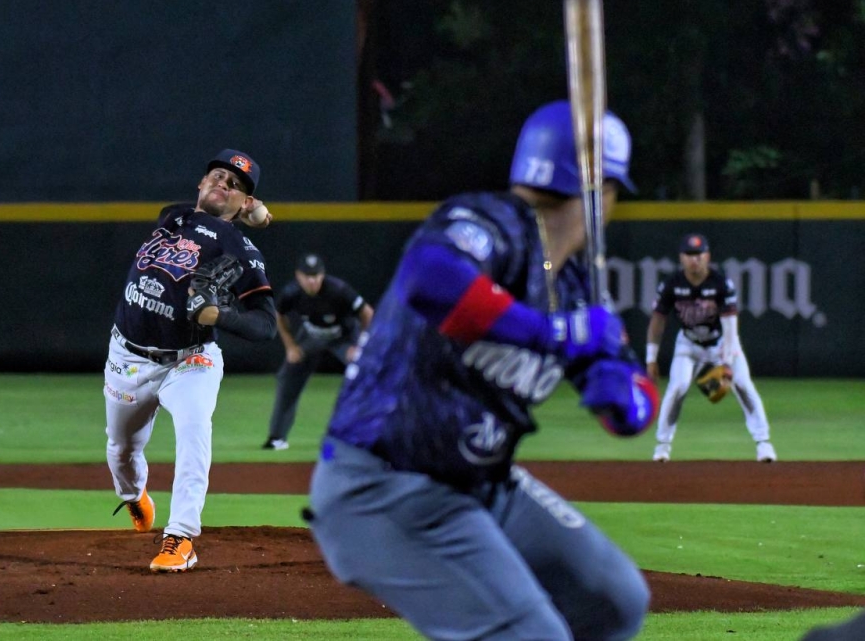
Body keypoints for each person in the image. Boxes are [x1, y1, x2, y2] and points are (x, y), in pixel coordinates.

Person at [305, 100, 659, 640]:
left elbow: (633, 405)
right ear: (601, 194)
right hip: (382, 487)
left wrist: (622, 396)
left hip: (482, 486)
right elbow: (430, 276)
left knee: (614, 600)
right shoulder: (488, 223)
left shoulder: (573, 284)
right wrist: (555, 335)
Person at [105, 149, 277, 572]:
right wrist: (256, 211)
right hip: (128, 356)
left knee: (195, 433)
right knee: (121, 450)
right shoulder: (173, 216)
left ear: (244, 201)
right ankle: (133, 496)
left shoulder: (240, 248)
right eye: (218, 176)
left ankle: (180, 537)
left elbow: (266, 324)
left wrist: (220, 314)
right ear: (200, 184)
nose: (224, 183)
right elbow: (214, 211)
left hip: (191, 359)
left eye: (236, 185)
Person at [646, 233, 777, 463]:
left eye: (699, 254)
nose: (694, 260)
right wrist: (651, 358)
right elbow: (658, 320)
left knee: (743, 385)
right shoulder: (671, 284)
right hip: (688, 344)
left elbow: (730, 327)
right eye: (689, 255)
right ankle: (662, 446)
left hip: (721, 342)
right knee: (678, 386)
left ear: (707, 256)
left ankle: (763, 444)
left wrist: (726, 362)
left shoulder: (720, 283)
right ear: (681, 258)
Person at [262, 253, 374, 450]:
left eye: (316, 275)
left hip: (344, 338)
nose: (312, 280)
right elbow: (278, 315)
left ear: (322, 275)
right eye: (308, 276)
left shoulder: (338, 290)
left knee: (365, 376)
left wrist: (360, 346)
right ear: (299, 276)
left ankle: (370, 435)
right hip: (311, 337)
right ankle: (277, 438)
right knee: (288, 377)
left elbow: (367, 313)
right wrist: (291, 347)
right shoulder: (292, 293)